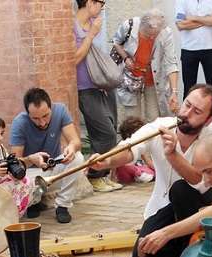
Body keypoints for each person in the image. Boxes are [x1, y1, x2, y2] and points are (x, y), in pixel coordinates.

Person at [93, 84, 212, 257]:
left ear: (209, 119)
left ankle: (192, 246)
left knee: (180, 189)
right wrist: (106, 161)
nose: (187, 113)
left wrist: (173, 155)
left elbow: (201, 183)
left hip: (202, 204)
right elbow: (130, 148)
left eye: (197, 111)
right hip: (164, 207)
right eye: (187, 105)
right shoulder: (159, 126)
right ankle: (185, 249)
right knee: (141, 256)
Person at [10, 88, 85, 224]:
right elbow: (15, 163)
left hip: (53, 168)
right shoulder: (19, 123)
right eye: (36, 118)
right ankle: (33, 201)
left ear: (51, 107)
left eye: (45, 116)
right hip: (31, 173)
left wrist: (71, 148)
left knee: (78, 157)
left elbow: (76, 141)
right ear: (27, 114)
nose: (42, 122)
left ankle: (62, 205)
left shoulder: (60, 110)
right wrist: (30, 159)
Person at [74, 0, 122, 194]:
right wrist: (91, 34)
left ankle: (103, 175)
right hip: (84, 87)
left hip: (102, 85)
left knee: (111, 128)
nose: (103, 6)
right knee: (104, 132)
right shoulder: (72, 26)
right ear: (90, 2)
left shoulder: (97, 23)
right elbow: (75, 58)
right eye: (101, 2)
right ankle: (95, 177)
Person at [112, 9, 180, 122]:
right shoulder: (129, 26)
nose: (152, 38)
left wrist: (174, 91)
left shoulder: (166, 32)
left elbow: (171, 62)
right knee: (133, 119)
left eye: (155, 35)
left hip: (153, 79)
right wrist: (126, 57)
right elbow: (116, 42)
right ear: (142, 27)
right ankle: (134, 139)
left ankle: (152, 139)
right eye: (149, 35)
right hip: (131, 78)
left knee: (154, 118)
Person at [175, 0, 212, 122]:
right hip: (189, 49)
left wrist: (193, 18)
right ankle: (187, 123)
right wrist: (208, 20)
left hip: (211, 48)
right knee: (189, 87)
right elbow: (181, 25)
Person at [114, 116, 154, 184]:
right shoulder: (124, 145)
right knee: (124, 167)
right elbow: (114, 165)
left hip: (136, 171)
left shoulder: (139, 145)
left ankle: (143, 175)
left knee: (144, 168)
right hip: (127, 172)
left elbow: (148, 161)